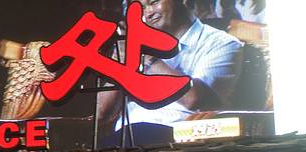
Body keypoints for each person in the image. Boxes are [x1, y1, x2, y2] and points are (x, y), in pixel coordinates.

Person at [97, 0, 243, 143]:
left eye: (154, 2)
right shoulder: (136, 44)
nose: (148, 13)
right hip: (126, 138)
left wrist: (147, 57)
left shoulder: (221, 43)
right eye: (141, 8)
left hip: (179, 138)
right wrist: (120, 61)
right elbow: (101, 113)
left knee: (138, 133)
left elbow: (193, 100)